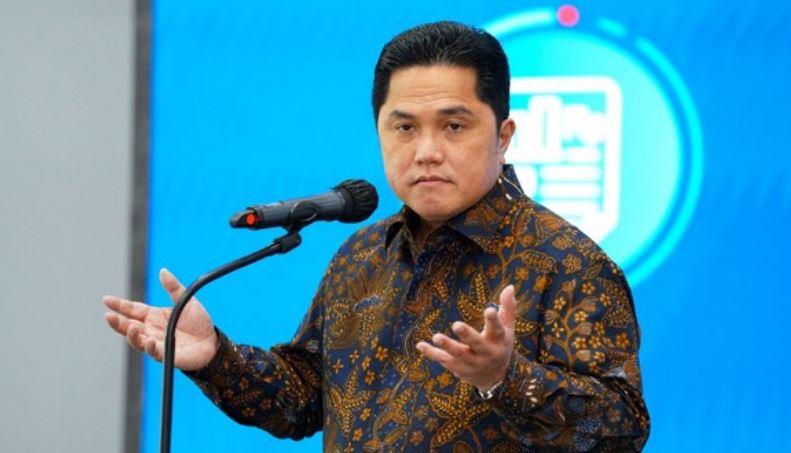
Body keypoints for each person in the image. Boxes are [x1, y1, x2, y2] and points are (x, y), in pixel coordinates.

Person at [104, 21, 650, 452]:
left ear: (503, 135)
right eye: (404, 127)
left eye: (454, 126)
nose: (426, 151)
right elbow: (303, 400)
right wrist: (215, 358)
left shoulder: (566, 262)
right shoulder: (363, 255)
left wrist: (505, 377)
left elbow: (622, 428)